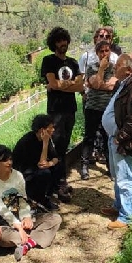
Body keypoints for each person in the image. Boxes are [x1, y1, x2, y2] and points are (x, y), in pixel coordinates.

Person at [0, 145, 62, 262]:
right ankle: (33, 237)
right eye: (4, 160)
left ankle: (27, 243)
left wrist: (26, 217)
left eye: (10, 159)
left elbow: (22, 200)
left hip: (18, 214)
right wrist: (18, 227)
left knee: (55, 218)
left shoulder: (17, 175)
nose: (9, 162)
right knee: (4, 236)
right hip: (0, 220)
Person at [101, 54, 132, 229]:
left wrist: (119, 138)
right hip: (115, 138)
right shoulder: (126, 82)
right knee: (117, 175)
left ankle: (127, 216)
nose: (115, 68)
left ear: (128, 69)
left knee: (125, 178)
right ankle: (118, 206)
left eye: (118, 66)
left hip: (123, 140)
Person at [40, 27, 83, 203]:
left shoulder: (73, 62)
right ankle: (55, 184)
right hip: (55, 111)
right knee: (55, 147)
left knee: (64, 146)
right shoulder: (48, 61)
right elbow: (53, 83)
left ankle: (61, 181)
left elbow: (80, 86)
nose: (62, 43)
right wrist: (66, 84)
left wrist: (62, 84)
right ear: (54, 44)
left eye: (64, 40)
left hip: (70, 110)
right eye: (58, 41)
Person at [80, 40, 119, 180]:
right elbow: (96, 83)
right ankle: (84, 166)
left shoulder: (115, 68)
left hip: (108, 109)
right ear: (97, 53)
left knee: (107, 137)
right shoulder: (91, 67)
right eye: (101, 51)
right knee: (89, 137)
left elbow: (111, 86)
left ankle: (111, 166)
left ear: (110, 52)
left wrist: (98, 84)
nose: (104, 53)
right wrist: (101, 70)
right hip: (92, 108)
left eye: (106, 50)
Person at [12, 114, 61, 211]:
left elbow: (55, 157)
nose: (53, 130)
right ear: (42, 130)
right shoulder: (28, 141)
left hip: (35, 169)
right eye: (51, 128)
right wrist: (45, 143)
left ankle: (46, 196)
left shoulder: (46, 138)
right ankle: (39, 200)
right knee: (45, 173)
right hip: (23, 174)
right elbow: (42, 164)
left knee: (57, 166)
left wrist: (51, 163)